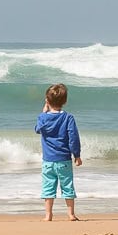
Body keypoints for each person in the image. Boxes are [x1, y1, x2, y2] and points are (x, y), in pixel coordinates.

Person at [34, 82, 82, 221]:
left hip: (48, 161)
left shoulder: (43, 117)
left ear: (47, 101)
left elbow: (37, 129)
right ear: (65, 101)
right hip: (64, 160)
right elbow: (73, 138)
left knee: (48, 186)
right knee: (67, 186)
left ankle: (48, 215)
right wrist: (77, 155)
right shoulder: (68, 118)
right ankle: (71, 214)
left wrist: (44, 112)